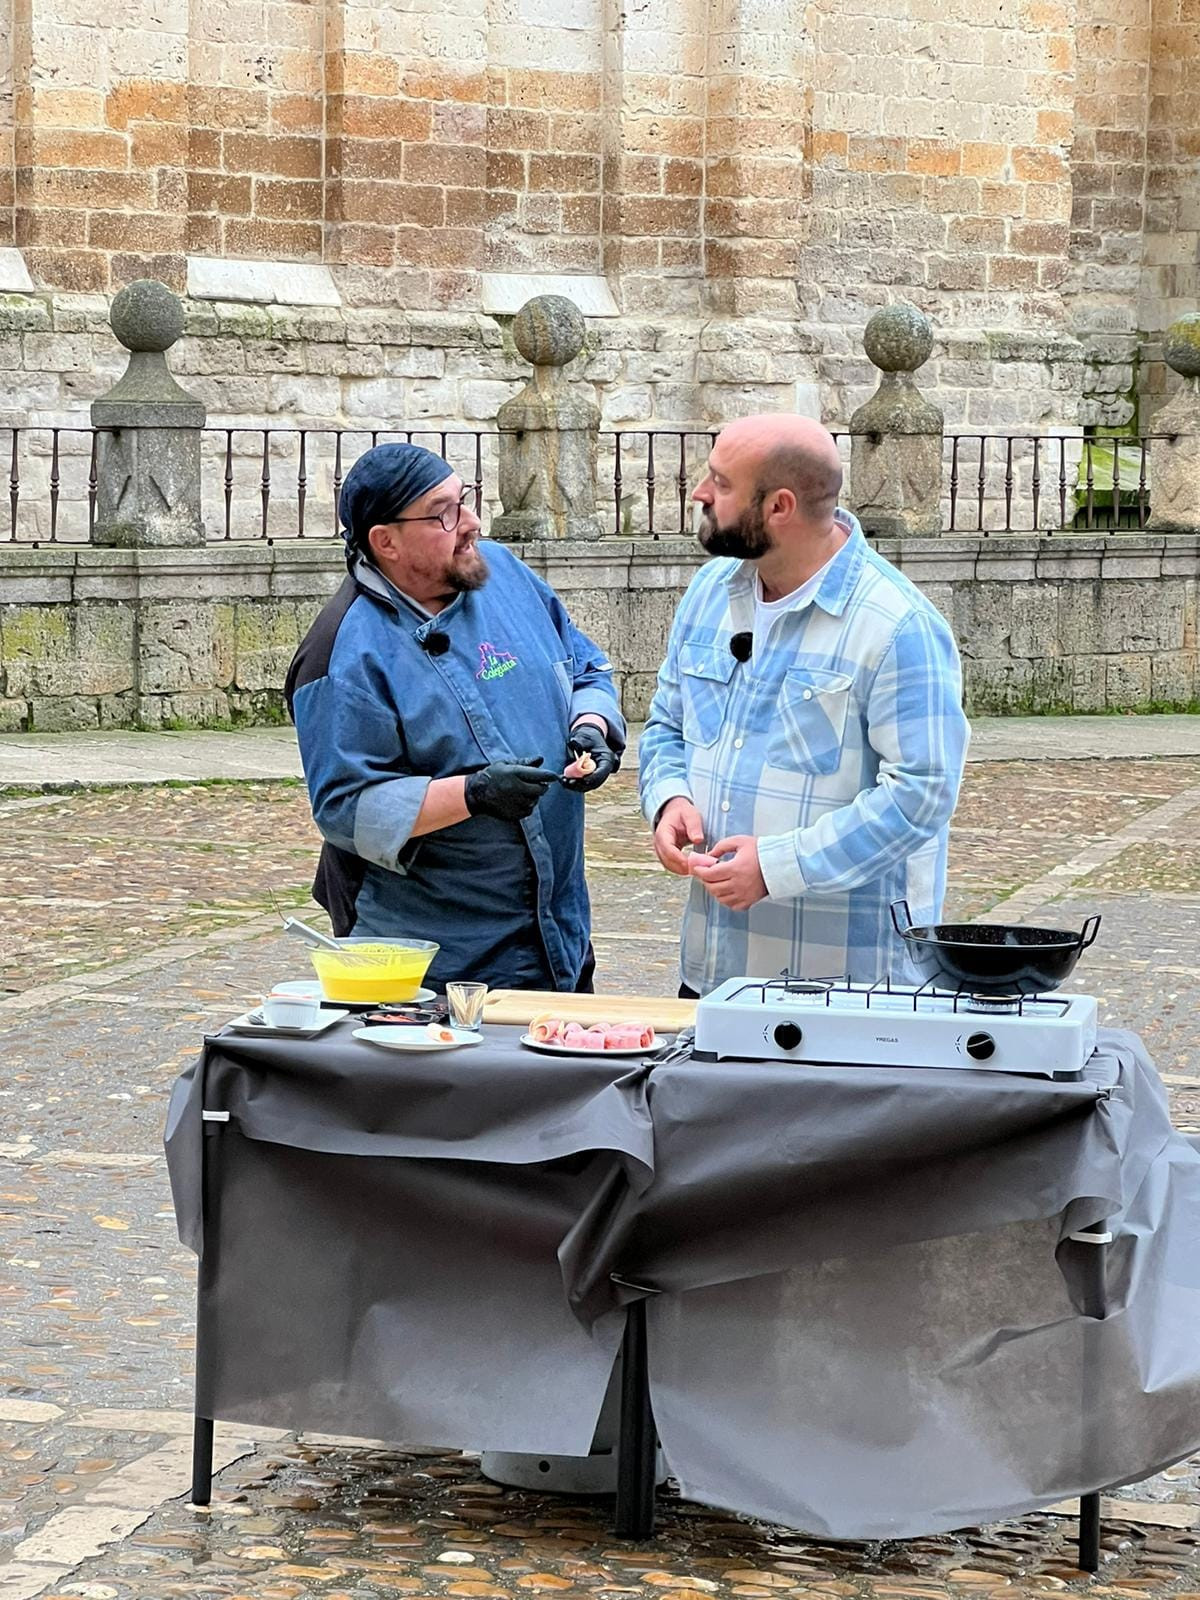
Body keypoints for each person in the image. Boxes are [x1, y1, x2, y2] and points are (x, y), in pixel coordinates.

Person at [639, 414, 969, 997]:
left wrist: (776, 866)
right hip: (713, 969)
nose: (699, 493)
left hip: (843, 987)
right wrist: (670, 798)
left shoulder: (898, 626)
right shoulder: (708, 593)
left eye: (720, 482)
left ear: (779, 507)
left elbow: (922, 795)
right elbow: (667, 722)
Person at [285, 442, 624, 993]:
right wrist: (473, 794)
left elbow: (585, 665)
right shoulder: (343, 653)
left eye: (464, 499)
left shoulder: (505, 575)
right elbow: (345, 810)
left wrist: (592, 728)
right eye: (443, 512)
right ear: (385, 541)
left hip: (557, 932)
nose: (471, 523)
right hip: (436, 960)